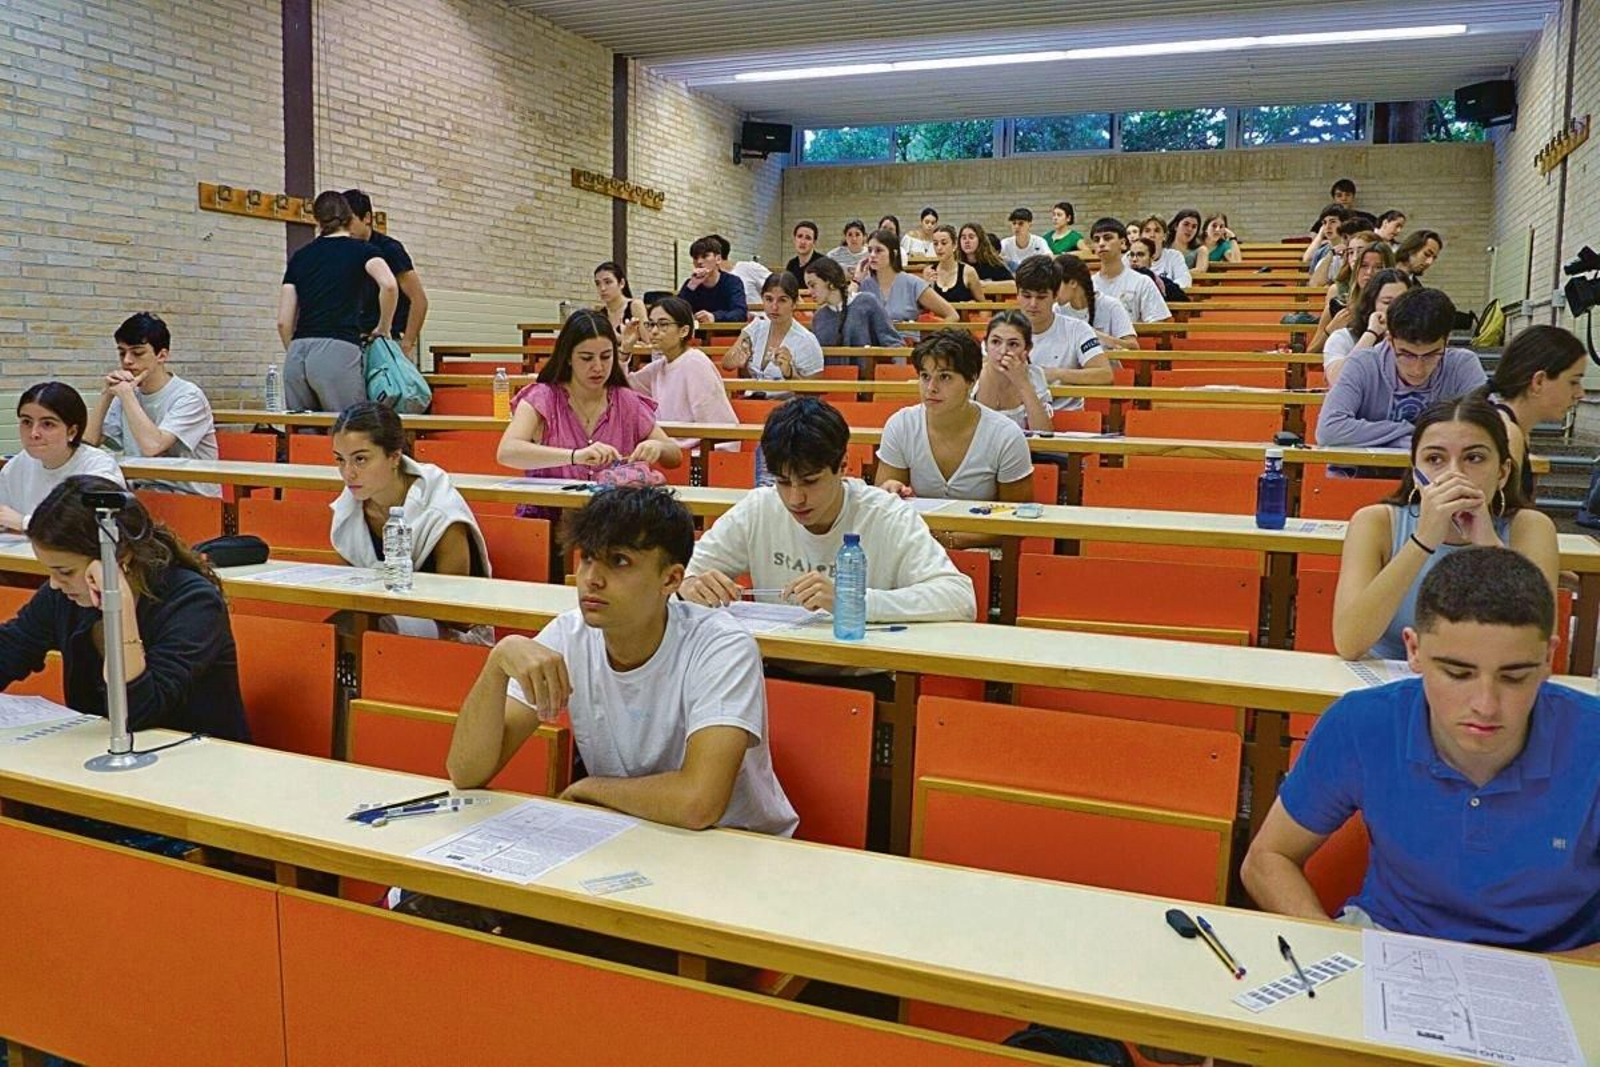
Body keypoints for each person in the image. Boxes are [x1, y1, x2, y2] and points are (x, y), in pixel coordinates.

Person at [1245, 546, 1600, 959]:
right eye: (1457, 673)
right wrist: (1331, 951)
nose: (1485, 704)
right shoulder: (1362, 724)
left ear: (1547, 659)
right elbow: (1267, 858)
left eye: (1515, 676)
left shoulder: (1590, 739)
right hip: (1389, 946)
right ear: (1413, 650)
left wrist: (1546, 977)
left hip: (1560, 964)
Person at [446, 486, 798, 836]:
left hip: (734, 845)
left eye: (619, 561)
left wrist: (590, 788)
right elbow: (466, 772)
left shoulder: (721, 646)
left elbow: (698, 803)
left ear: (671, 579)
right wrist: (497, 665)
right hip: (628, 832)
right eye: (587, 558)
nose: (591, 580)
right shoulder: (570, 634)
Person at [679, 398, 975, 622]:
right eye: (782, 482)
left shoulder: (887, 516)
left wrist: (852, 600)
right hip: (773, 665)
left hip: (863, 674)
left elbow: (960, 598)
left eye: (810, 481)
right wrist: (690, 586)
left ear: (843, 466)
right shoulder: (760, 508)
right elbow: (681, 572)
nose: (795, 499)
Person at [0, 475, 248, 740]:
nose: (55, 584)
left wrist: (120, 604)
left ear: (121, 557)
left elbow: (136, 713)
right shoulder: (63, 595)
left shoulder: (193, 601)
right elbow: (11, 649)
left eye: (65, 571)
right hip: (93, 760)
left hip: (198, 761)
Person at [1330, 396, 1557, 660]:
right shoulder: (1375, 523)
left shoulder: (1530, 528)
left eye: (1474, 458)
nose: (1454, 474)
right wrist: (1423, 540)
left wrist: (1488, 547)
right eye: (1435, 459)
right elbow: (1349, 643)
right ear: (1416, 472)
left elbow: (1535, 649)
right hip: (1393, 684)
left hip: (1492, 689)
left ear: (1502, 473)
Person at [329, 402, 494, 644]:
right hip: (377, 616)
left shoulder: (441, 511)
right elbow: (347, 592)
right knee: (331, 630)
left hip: (458, 636)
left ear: (395, 456)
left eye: (360, 459)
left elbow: (455, 612)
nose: (348, 473)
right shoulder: (347, 510)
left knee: (376, 628)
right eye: (340, 460)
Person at [496, 310, 681, 510]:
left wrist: (658, 446)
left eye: (606, 357)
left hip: (611, 524)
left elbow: (674, 456)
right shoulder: (543, 396)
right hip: (548, 521)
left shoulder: (626, 400)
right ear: (567, 358)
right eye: (586, 358)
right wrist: (575, 456)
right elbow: (507, 452)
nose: (598, 367)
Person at [875, 329, 1035, 543]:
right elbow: (885, 510)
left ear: (971, 380)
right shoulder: (901, 425)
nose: (931, 388)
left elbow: (1016, 520)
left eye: (945, 377)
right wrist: (891, 490)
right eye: (925, 376)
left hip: (984, 551)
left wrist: (956, 540)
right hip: (915, 544)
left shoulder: (1005, 436)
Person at [276, 190, 398, 412]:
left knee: (303, 438)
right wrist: (383, 327)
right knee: (349, 429)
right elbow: (389, 285)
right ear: (350, 217)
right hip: (337, 348)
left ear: (317, 220)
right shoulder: (363, 250)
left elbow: (283, 322)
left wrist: (294, 348)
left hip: (297, 354)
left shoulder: (300, 256)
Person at [1317, 287, 1486, 447]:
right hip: (1363, 474)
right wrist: (1417, 432)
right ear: (1390, 340)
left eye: (1431, 355)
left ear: (1447, 341)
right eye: (1406, 354)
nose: (1417, 369)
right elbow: (1329, 430)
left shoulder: (1463, 365)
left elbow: (1488, 428)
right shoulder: (1362, 363)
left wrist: (1383, 437)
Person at [84, 312, 221, 499]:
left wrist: (126, 396)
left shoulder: (189, 396)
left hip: (189, 498)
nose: (127, 361)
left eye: (137, 353)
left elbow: (152, 447)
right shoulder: (126, 394)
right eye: (122, 352)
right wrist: (106, 395)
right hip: (141, 494)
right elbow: (88, 443)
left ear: (162, 355)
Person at [0, 383, 125, 534]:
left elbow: (91, 530)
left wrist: (25, 522)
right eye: (27, 422)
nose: (33, 433)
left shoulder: (98, 467)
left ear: (72, 431)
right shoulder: (17, 465)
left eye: (47, 424)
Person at [1482, 325, 1587, 500]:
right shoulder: (1508, 433)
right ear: (1538, 381)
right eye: (1573, 382)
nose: (1580, 393)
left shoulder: (1516, 429)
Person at [1012, 256, 1110, 410]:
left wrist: (1056, 374)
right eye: (1026, 296)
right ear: (1017, 294)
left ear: (1055, 296)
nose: (1032, 304)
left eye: (1041, 297)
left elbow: (1104, 374)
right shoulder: (1002, 330)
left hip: (1068, 418)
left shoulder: (1078, 329)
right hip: (1015, 418)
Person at [343, 188, 429, 360]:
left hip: (389, 340)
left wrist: (407, 344)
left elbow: (419, 300)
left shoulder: (390, 250)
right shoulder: (344, 250)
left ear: (366, 218)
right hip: (354, 341)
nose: (345, 229)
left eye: (349, 222)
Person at [630, 295, 740, 426]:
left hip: (700, 444)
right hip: (665, 442)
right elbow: (623, 388)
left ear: (683, 331)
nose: (653, 331)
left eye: (663, 324)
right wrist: (625, 349)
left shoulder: (695, 363)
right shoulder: (659, 366)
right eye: (651, 324)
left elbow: (716, 424)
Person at [722, 273, 824, 386]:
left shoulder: (807, 341)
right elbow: (726, 364)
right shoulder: (755, 327)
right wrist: (735, 360)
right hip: (751, 399)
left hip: (786, 402)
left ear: (795, 303)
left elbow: (814, 394)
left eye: (782, 300)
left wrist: (791, 374)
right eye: (769, 299)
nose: (774, 307)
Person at [857, 229, 957, 341]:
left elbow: (952, 315)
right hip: (871, 350)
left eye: (878, 250)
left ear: (893, 254)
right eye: (870, 250)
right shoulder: (863, 285)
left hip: (906, 349)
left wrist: (931, 342)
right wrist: (856, 280)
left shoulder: (913, 283)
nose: (872, 255)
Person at [803, 256, 903, 357]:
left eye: (813, 285)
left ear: (830, 282)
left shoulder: (866, 302)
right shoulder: (819, 317)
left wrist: (899, 369)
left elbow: (893, 343)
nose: (809, 292)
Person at [973, 309, 1053, 432]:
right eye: (995, 342)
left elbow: (1044, 433)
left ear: (1027, 349)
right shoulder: (970, 376)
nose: (1003, 351)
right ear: (985, 345)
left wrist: (1022, 383)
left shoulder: (1034, 376)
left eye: (1013, 344)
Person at [1088, 217, 1170, 323]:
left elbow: (1157, 324)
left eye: (1107, 238)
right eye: (1096, 240)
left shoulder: (1142, 282)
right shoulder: (1088, 285)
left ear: (1123, 243)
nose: (1101, 243)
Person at [1055, 253, 1137, 351]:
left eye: (1056, 284)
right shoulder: (1057, 310)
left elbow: (1133, 347)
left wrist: (1094, 335)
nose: (1052, 290)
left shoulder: (1111, 305)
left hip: (1106, 364)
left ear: (1073, 283)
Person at [676, 236, 749, 324]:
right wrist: (692, 285)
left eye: (705, 256)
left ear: (718, 259)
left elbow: (740, 313)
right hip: (698, 333)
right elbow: (676, 312)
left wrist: (714, 317)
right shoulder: (690, 283)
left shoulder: (732, 282)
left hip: (724, 332)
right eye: (695, 258)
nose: (699, 261)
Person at [592, 261, 648, 351]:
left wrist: (619, 339)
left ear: (621, 283)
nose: (602, 288)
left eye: (608, 282)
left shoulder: (635, 305)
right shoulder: (599, 313)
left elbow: (648, 342)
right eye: (598, 283)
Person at [923, 224, 984, 305]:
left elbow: (983, 306)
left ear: (954, 245)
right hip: (937, 317)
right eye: (935, 244)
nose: (939, 248)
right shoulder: (929, 271)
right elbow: (923, 306)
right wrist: (927, 286)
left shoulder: (968, 272)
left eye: (944, 243)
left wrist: (971, 305)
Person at [1138, 216, 1193, 292]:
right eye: (1147, 231)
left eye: (1157, 231)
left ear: (1165, 236)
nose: (1152, 235)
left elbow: (1185, 280)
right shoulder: (1130, 256)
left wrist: (1162, 289)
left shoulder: (1174, 256)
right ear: (1141, 236)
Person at [1301, 203, 1351, 273]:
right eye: (1324, 223)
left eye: (1333, 222)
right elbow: (1307, 261)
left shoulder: (1351, 250)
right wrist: (1320, 234)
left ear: (1344, 224)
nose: (1328, 227)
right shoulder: (1321, 252)